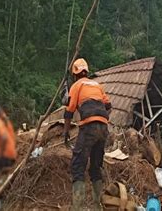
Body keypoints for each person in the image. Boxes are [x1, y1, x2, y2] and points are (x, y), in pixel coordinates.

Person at [63, 58, 111, 211]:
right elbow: (108, 106)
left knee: (78, 166)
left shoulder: (76, 86)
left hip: (89, 126)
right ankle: (98, 207)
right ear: (86, 72)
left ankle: (77, 207)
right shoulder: (97, 85)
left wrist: (66, 133)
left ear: (74, 74)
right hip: (103, 126)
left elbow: (69, 112)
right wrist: (100, 119)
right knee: (95, 167)